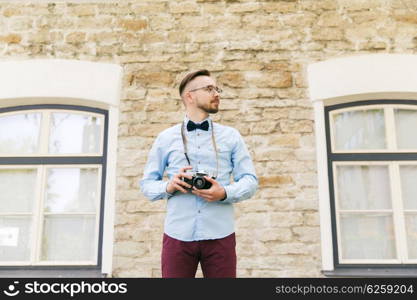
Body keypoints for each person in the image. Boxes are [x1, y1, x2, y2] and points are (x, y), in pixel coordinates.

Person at [139, 69, 258, 278]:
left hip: (221, 234)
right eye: (209, 89)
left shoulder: (231, 136)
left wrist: (224, 193)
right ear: (190, 96)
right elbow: (147, 185)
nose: (217, 94)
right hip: (177, 235)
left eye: (217, 89)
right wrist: (169, 185)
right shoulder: (165, 138)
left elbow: (250, 181)